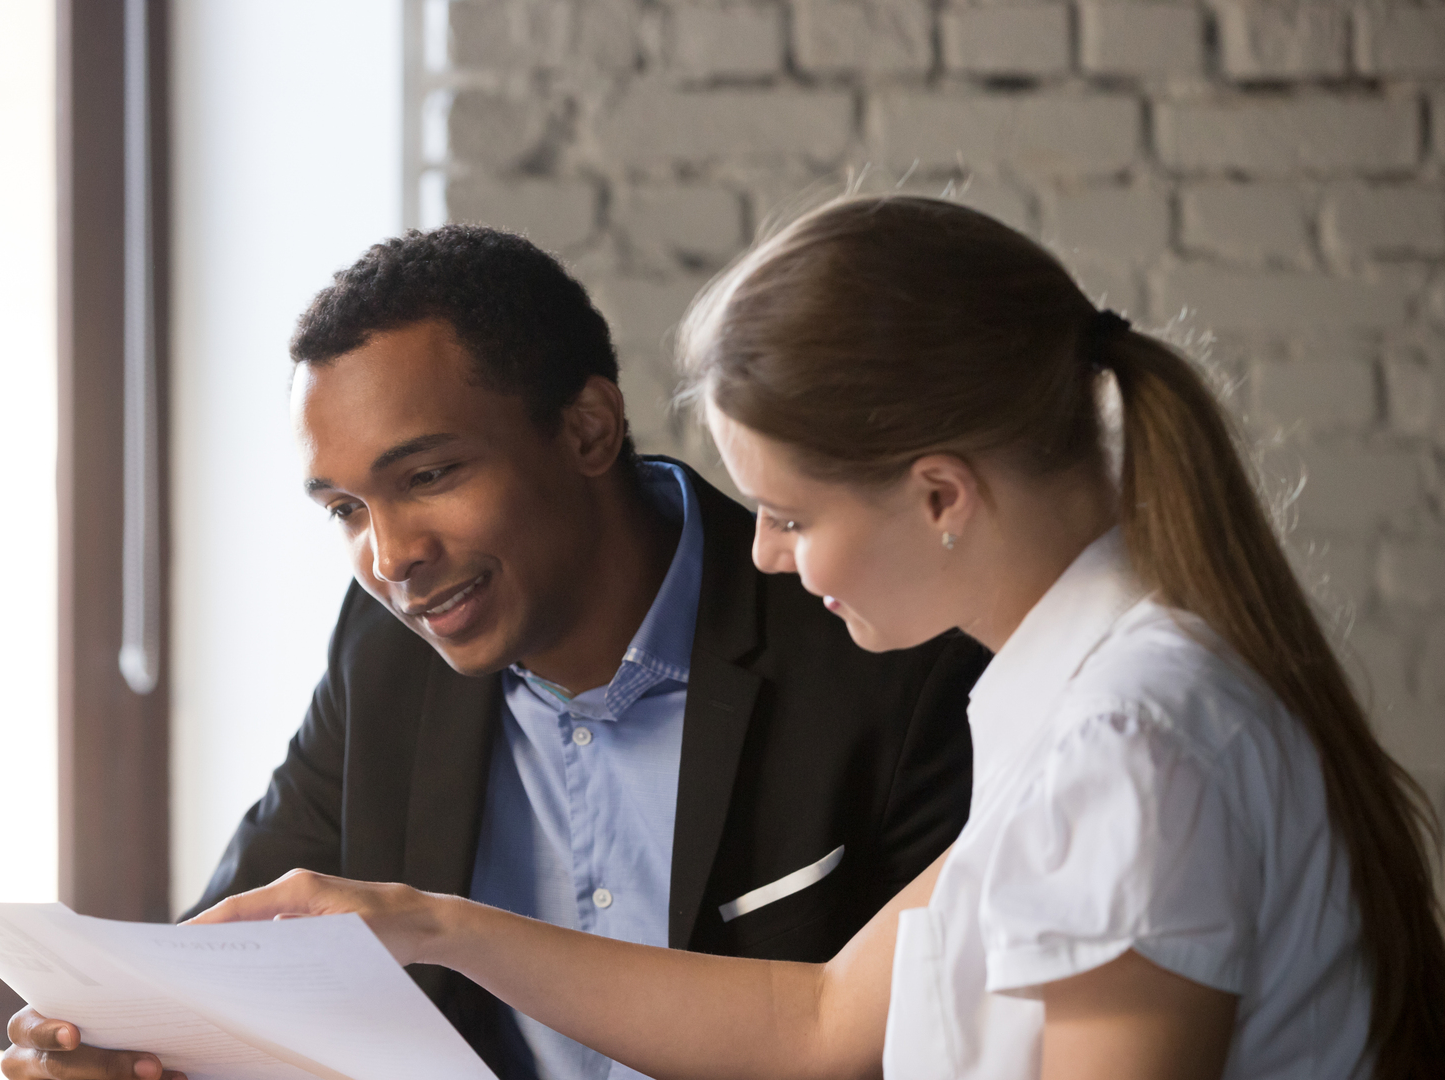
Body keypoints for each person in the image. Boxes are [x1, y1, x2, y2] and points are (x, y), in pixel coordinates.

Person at [192, 197, 1445, 1079]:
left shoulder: (1129, 742)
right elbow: (820, 1015)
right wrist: (429, 923)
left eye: (791, 514)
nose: (765, 555)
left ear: (941, 495)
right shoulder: (1082, 703)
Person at [1, 225, 988, 1080]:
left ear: (590, 428)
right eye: (346, 509)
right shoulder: (386, 655)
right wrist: (117, 1043)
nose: (390, 557)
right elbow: (228, 961)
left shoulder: (886, 650)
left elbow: (931, 1043)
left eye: (428, 475)